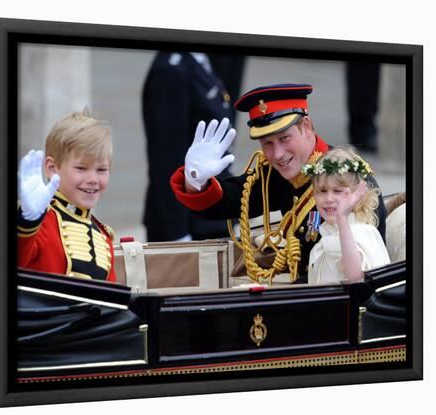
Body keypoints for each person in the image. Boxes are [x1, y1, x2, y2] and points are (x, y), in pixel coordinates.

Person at [170, 83, 387, 283]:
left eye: (284, 138)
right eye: (267, 143)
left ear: (306, 126)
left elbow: (359, 274)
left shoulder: (349, 179)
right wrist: (195, 178)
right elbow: (231, 200)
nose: (278, 154)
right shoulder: (279, 173)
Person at [142, 51, 236, 242]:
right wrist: (177, 235)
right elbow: (165, 155)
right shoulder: (170, 70)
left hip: (213, 215)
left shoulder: (201, 59)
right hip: (190, 225)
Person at [17, 111, 117, 282]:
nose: (93, 180)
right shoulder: (39, 221)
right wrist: (28, 222)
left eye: (101, 170)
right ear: (52, 168)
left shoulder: (103, 236)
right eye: (81, 168)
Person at [302, 147, 390, 285]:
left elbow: (355, 278)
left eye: (337, 191)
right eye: (322, 191)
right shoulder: (328, 232)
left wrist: (342, 218)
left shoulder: (362, 233)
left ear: (356, 194)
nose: (328, 198)